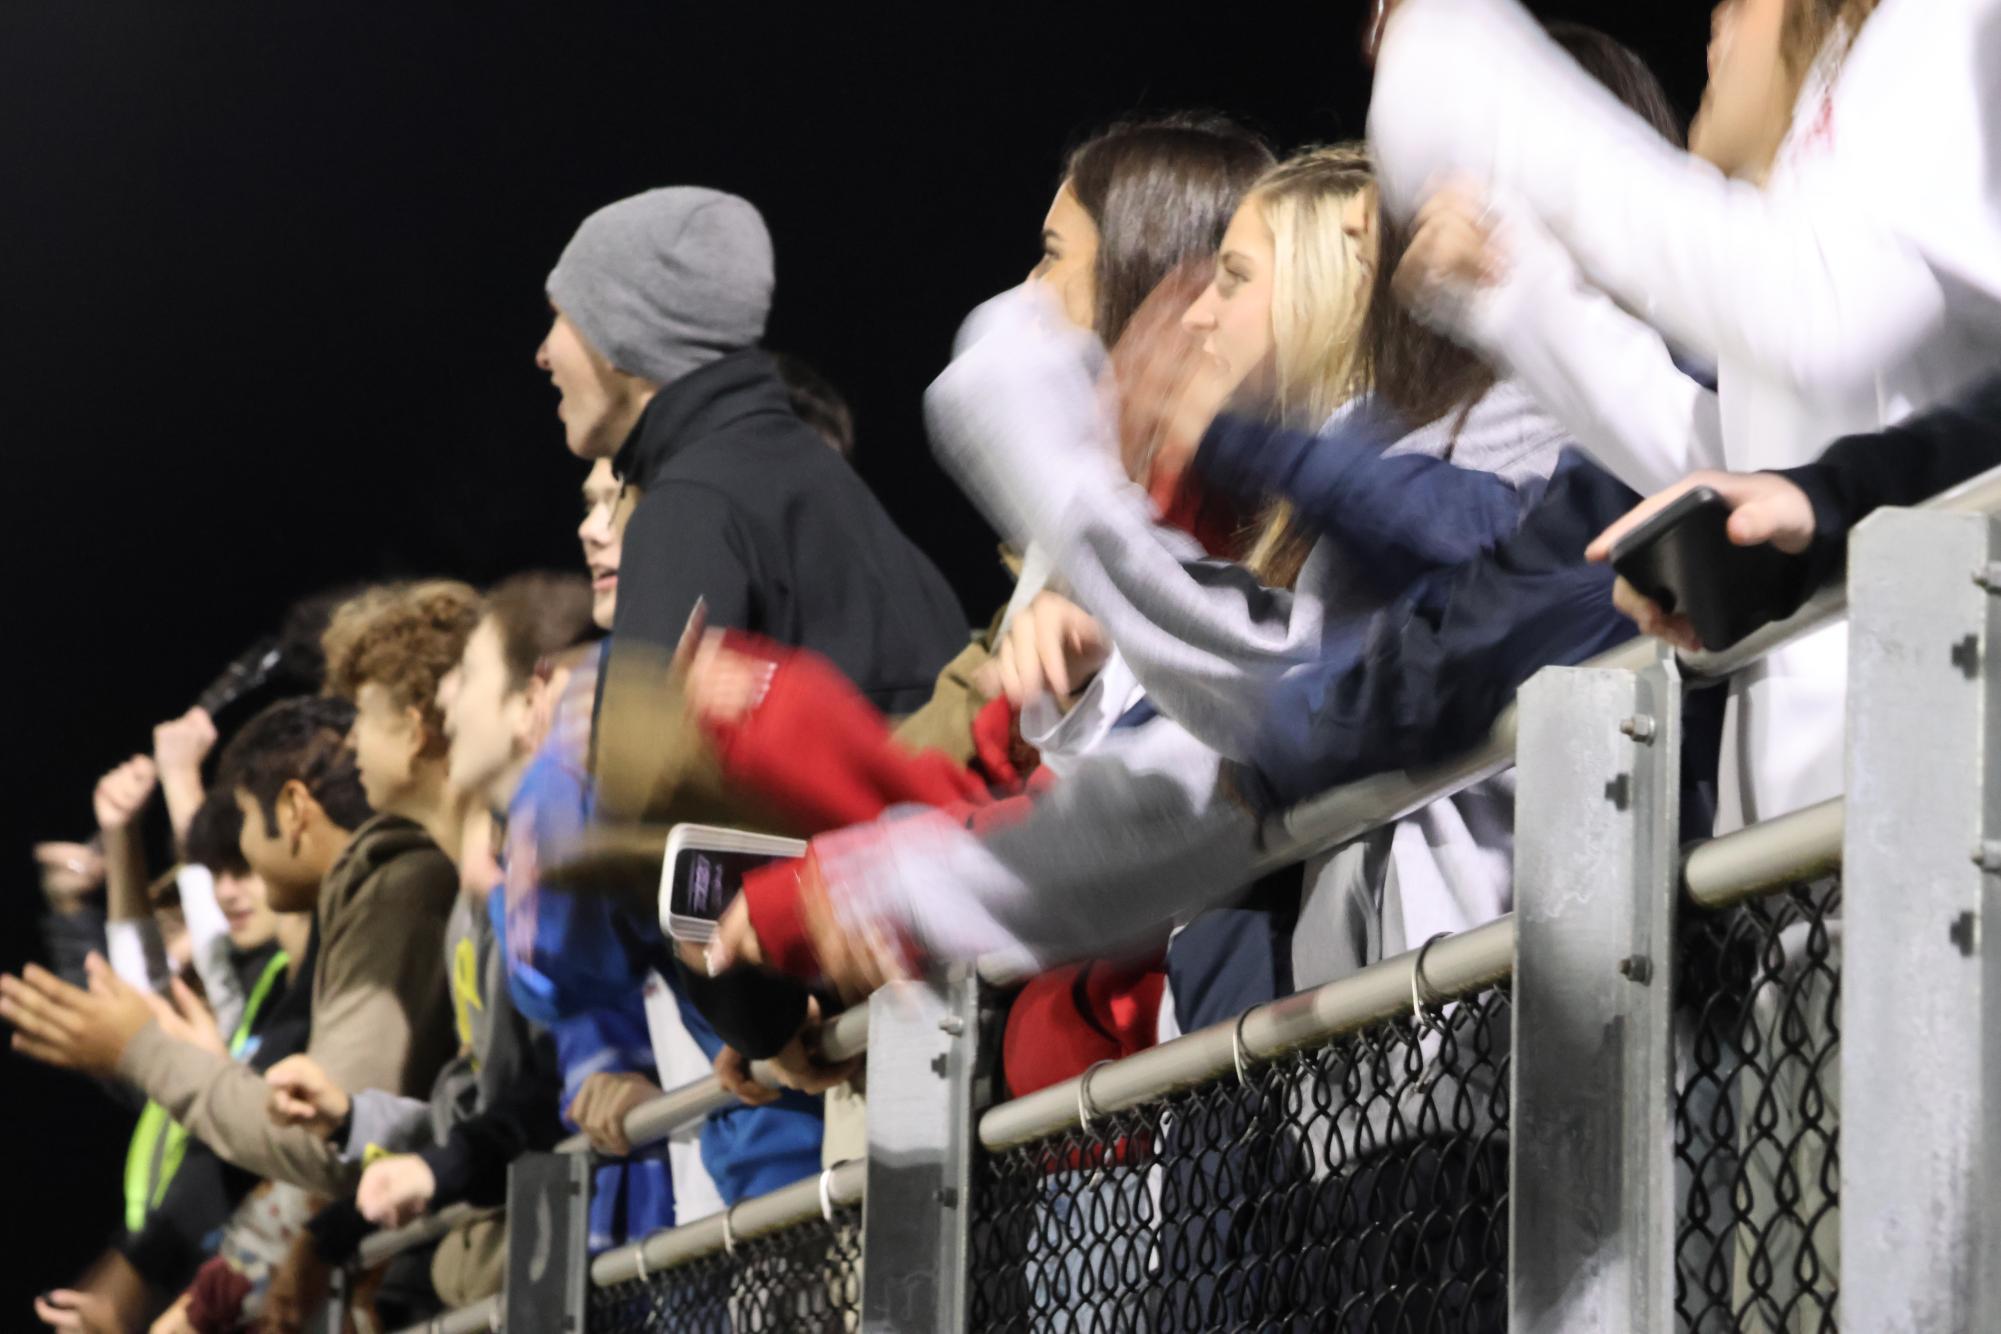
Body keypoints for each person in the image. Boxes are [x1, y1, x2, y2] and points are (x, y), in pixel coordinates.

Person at [1369, 0, 2001, 829]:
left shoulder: (1941, 23)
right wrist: (1516, 298)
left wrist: (1489, 88)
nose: (1714, 27)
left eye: (1740, 5)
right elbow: (1744, 474)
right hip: (1815, 822)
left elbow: (1822, 311)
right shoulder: (1812, 211)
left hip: (1943, 808)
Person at [264, 573, 589, 1305]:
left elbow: (552, 1092)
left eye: (362, 717)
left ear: (416, 730)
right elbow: (479, 1112)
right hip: (511, 1265)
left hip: (562, 1263)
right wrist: (354, 1119)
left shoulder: (520, 875)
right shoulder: (463, 912)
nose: (348, 744)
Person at [536, 184, 969, 718]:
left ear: (620, 336)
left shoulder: (690, 507)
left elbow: (642, 791)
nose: (543, 355)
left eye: (560, 316)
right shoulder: (823, 486)